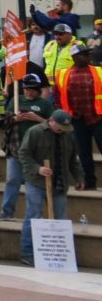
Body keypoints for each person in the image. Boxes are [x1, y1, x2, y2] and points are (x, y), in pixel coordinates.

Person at [19, 109, 78, 266]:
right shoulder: (35, 132)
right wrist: (37, 168)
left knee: (61, 218)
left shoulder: (68, 136)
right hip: (36, 182)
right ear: (51, 121)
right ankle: (27, 253)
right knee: (33, 215)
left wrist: (79, 177)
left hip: (59, 182)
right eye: (59, 127)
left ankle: (60, 253)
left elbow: (73, 159)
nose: (61, 130)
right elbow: (24, 154)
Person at [0, 71, 51, 221]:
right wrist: (15, 118)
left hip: (37, 151)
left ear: (38, 90)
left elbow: (54, 126)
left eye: (32, 89)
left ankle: (41, 213)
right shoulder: (16, 100)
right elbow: (2, 121)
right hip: (16, 146)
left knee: (37, 184)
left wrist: (38, 119)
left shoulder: (44, 104)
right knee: (12, 179)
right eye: (26, 89)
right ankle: (6, 211)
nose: (29, 92)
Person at [52, 41, 101, 190]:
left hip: (98, 118)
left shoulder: (99, 71)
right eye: (84, 54)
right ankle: (89, 182)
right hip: (77, 120)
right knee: (83, 153)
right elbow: (57, 98)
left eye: (88, 54)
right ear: (74, 57)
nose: (88, 56)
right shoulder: (62, 75)